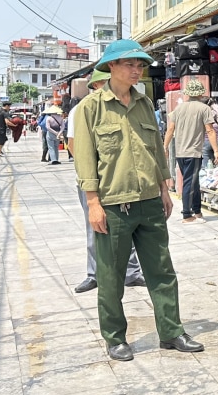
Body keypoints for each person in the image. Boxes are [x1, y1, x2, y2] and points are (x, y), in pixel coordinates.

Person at [72, 39, 203, 361]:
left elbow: (156, 148)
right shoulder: (91, 108)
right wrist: (92, 203)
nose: (136, 70)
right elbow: (85, 159)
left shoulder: (145, 104)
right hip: (113, 204)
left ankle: (171, 331)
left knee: (162, 270)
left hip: (149, 201)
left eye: (140, 65)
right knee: (111, 275)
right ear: (111, 66)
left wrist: (164, 188)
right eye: (130, 64)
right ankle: (115, 337)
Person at [70, 69, 145, 294]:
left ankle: (131, 272)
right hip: (94, 183)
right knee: (96, 228)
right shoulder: (83, 109)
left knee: (128, 226)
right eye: (105, 83)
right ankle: (95, 274)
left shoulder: (129, 105)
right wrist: (93, 177)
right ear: (95, 85)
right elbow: (75, 147)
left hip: (122, 182)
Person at [162, 79, 218, 223]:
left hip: (180, 152)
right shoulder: (204, 108)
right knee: (190, 183)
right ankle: (187, 214)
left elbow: (170, 129)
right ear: (201, 93)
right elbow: (210, 131)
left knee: (193, 182)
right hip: (194, 152)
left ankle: (197, 212)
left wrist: (165, 147)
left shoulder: (179, 109)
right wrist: (216, 151)